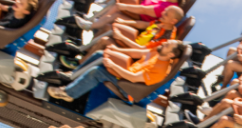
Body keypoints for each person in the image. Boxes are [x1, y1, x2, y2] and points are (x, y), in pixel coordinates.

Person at [47, 40, 186, 102]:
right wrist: (116, 50)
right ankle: (72, 76)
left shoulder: (160, 71)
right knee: (100, 54)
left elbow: (132, 78)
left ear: (171, 55)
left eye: (167, 45)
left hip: (128, 86)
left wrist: (112, 65)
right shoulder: (158, 51)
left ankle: (68, 93)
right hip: (125, 72)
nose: (163, 43)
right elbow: (137, 53)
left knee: (97, 71)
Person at [73, 0, 194, 31]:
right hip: (139, 6)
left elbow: (143, 10)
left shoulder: (168, 7)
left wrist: (123, 6)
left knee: (117, 9)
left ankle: (90, 24)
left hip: (140, 17)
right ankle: (98, 19)